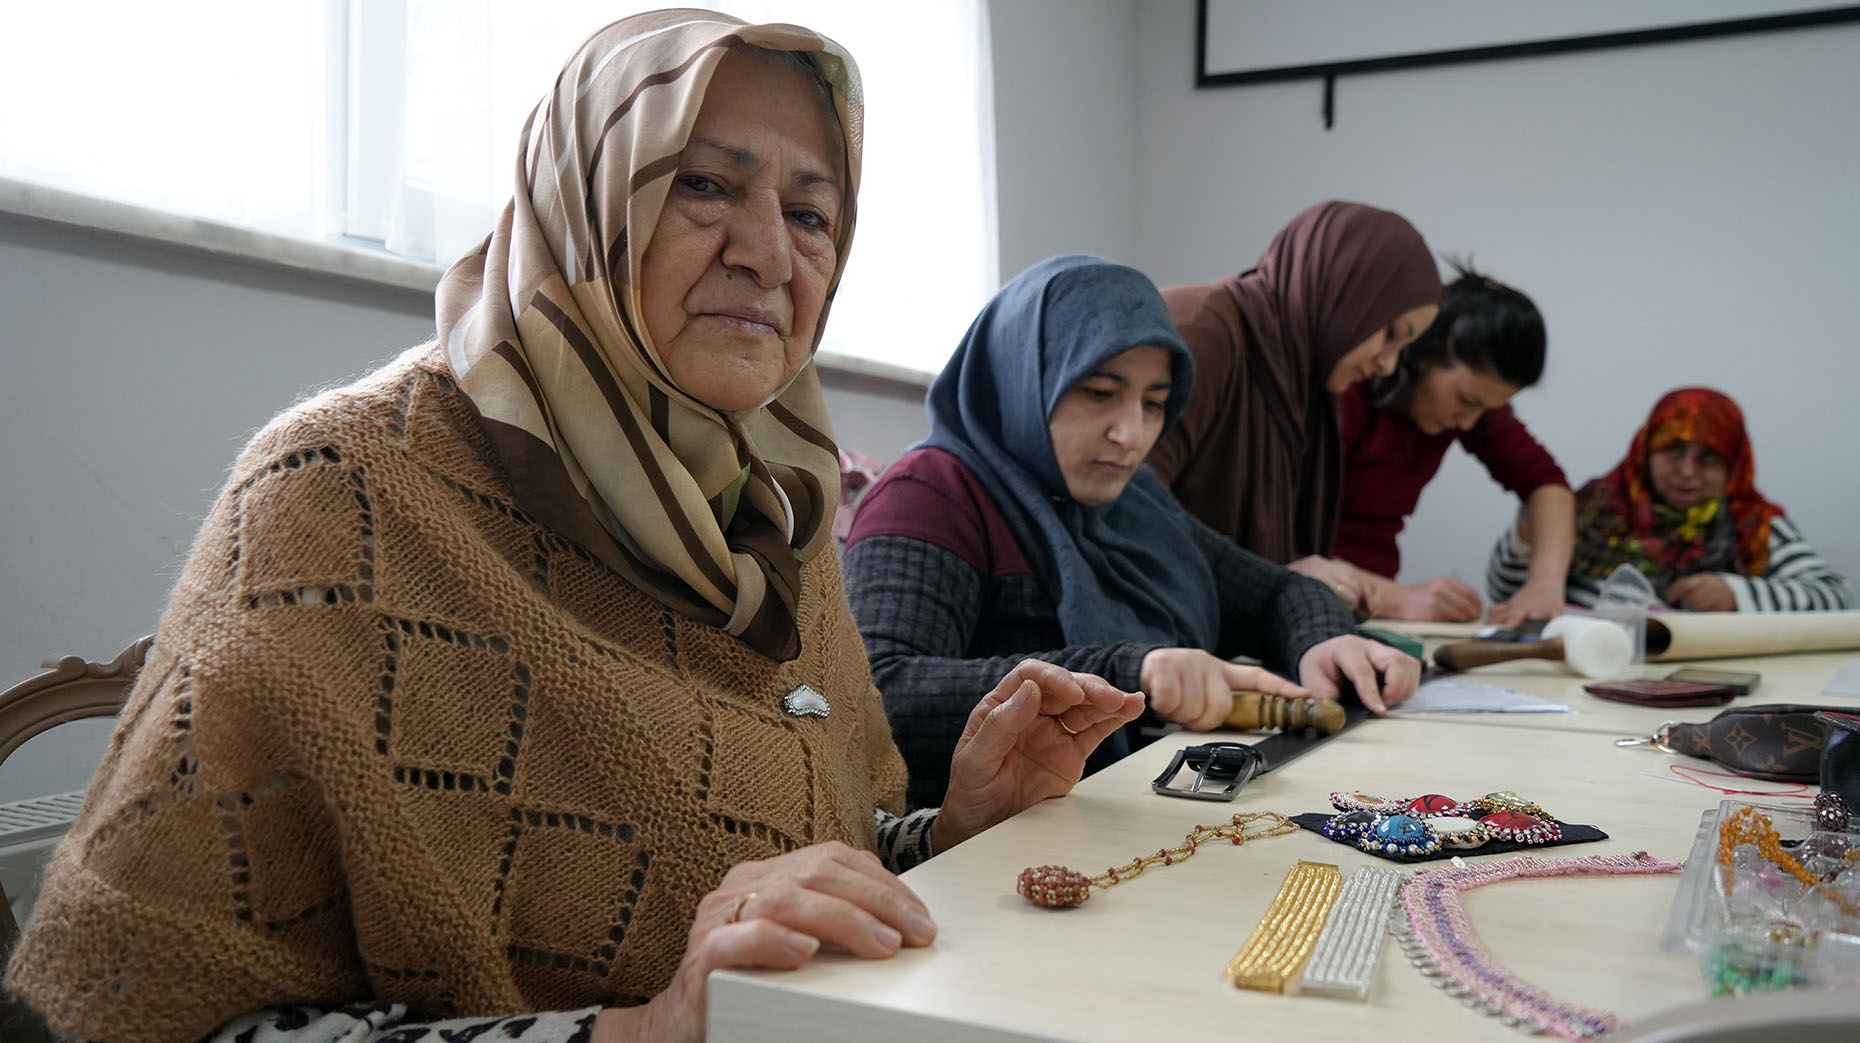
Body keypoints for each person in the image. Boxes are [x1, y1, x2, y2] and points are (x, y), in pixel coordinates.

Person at [6, 15, 1145, 1043]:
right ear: (584, 190)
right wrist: (642, 1030)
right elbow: (145, 1013)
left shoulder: (777, 504)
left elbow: (807, 852)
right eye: (705, 184)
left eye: (810, 213)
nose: (768, 250)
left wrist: (947, 835)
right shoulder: (342, 491)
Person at [842, 256, 1422, 810]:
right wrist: (1129, 674)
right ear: (1021, 374)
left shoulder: (1135, 500)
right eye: (1099, 394)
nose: (1132, 434)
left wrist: (1324, 641)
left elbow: (1278, 592)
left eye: (1154, 403)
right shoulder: (930, 495)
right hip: (999, 846)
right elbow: (876, 700)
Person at [1145, 200, 1444, 615]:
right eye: (1390, 333)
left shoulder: (1305, 384)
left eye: (1402, 348)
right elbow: (1126, 512)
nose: (1387, 365)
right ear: (1343, 289)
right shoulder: (1202, 329)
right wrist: (1275, 583)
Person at [1324, 264, 1574, 626]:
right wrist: (1402, 600)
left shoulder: (1470, 409)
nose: (1469, 423)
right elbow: (1282, 549)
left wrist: (1546, 584)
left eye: (1489, 409)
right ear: (1427, 352)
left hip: (1369, 610)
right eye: (1467, 400)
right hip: (1311, 592)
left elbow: (1546, 483)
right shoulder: (1354, 387)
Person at [1489, 387, 1854, 612]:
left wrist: (1736, 594)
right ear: (1645, 450)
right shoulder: (1589, 508)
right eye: (1673, 451)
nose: (1687, 472)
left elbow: (1836, 595)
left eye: (1708, 457)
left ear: (1734, 464)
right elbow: (1508, 593)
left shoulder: (1754, 524)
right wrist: (1527, 536)